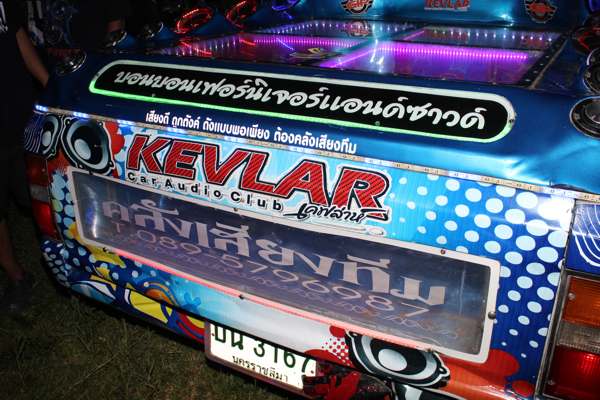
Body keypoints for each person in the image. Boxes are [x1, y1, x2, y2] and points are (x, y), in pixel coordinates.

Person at [0, 0, 49, 314]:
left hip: (20, 115)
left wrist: (50, 85)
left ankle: (64, 260)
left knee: (38, 193)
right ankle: (17, 277)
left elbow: (20, 40)